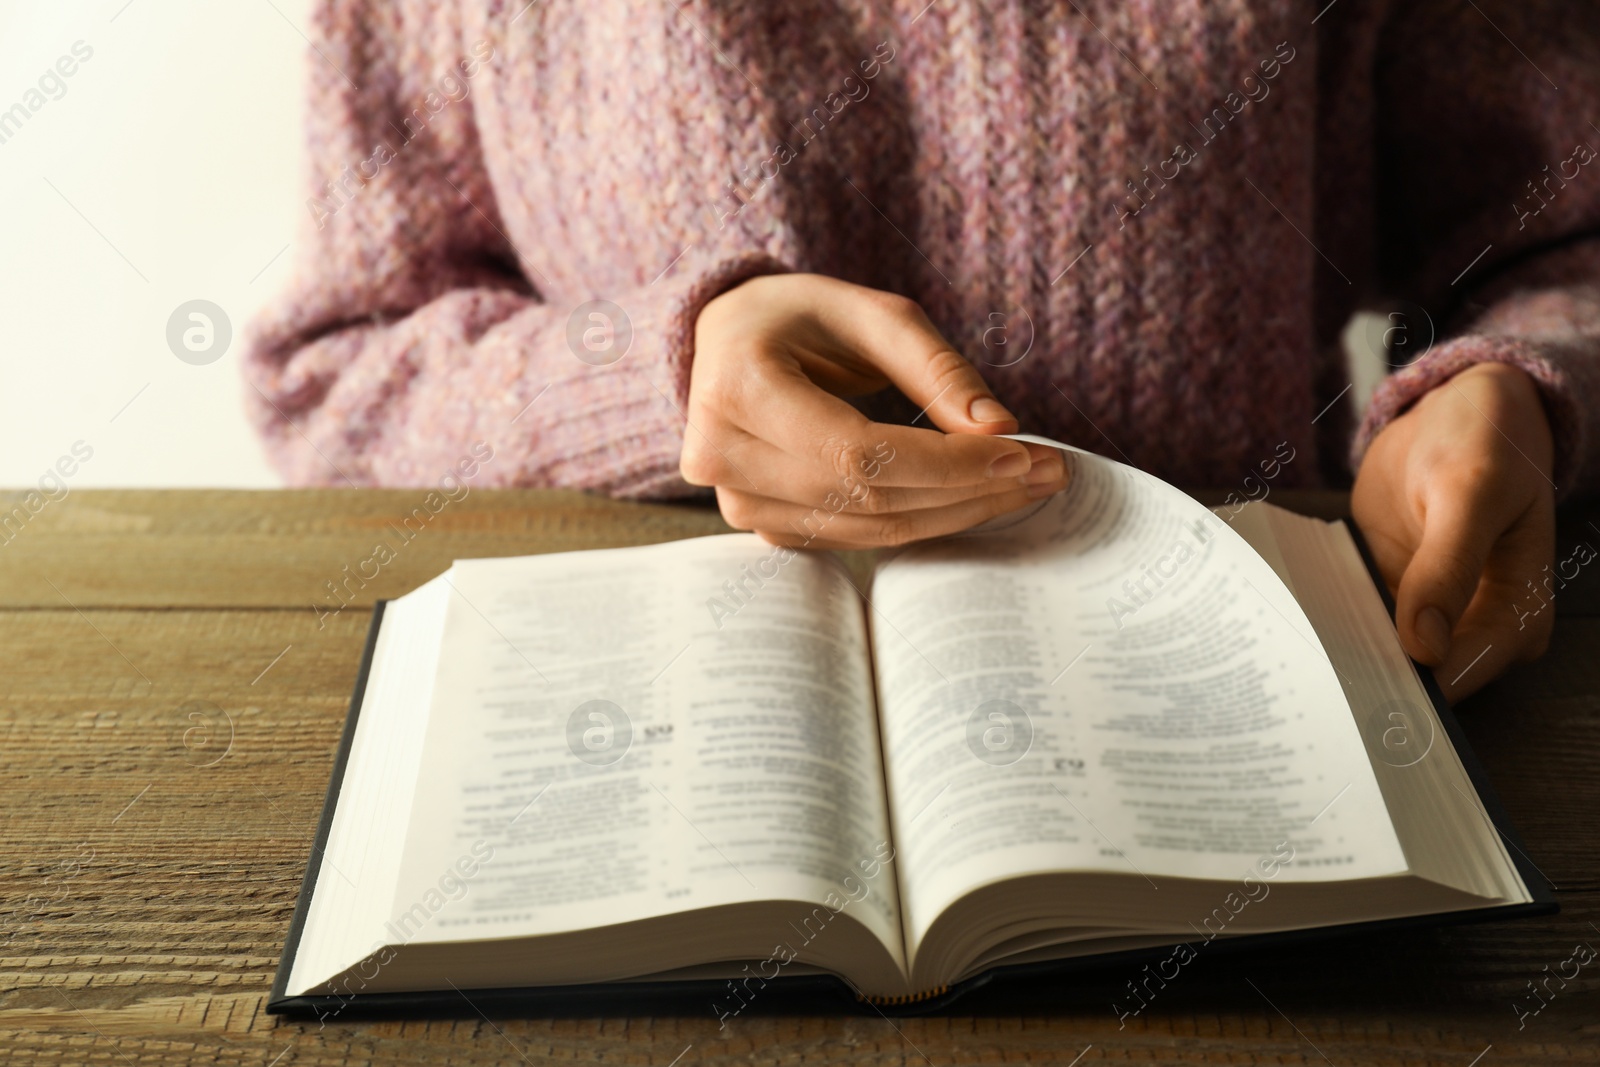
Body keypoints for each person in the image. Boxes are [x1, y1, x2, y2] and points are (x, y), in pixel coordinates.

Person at [244, 0, 1600, 700]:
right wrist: (653, 377)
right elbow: (338, 382)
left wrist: (1510, 396)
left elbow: (1565, 244)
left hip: (1234, 745)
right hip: (654, 767)